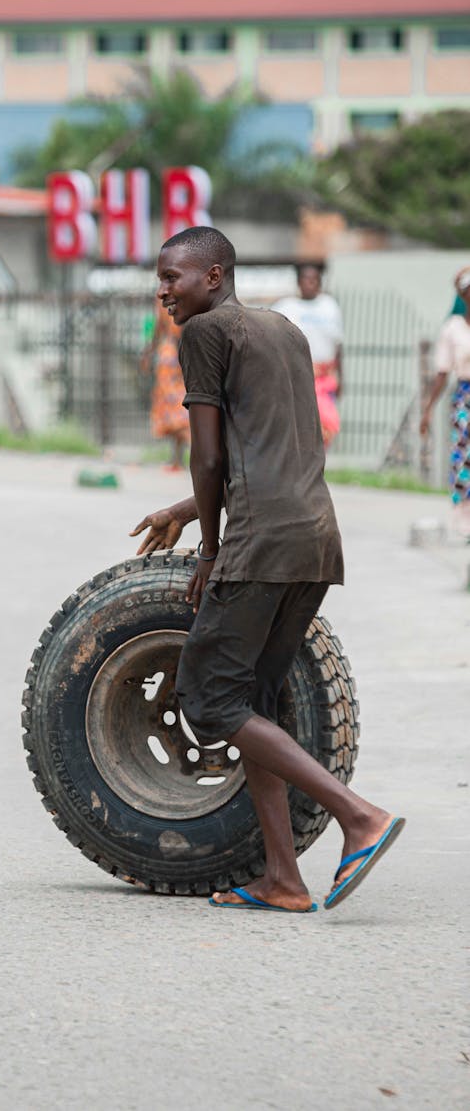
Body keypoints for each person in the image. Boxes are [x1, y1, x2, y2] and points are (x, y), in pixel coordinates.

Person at [130, 226, 404, 913]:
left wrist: (214, 547)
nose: (163, 290)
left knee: (209, 699)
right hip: (314, 537)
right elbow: (276, 450)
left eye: (175, 277)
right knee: (252, 706)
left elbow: (213, 458)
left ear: (214, 276)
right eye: (160, 278)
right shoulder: (282, 328)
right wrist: (186, 511)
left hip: (259, 543)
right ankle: (283, 878)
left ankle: (358, 817)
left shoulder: (203, 335)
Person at [420, 266, 470, 540]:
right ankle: (465, 523)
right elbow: (442, 372)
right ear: (464, 295)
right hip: (465, 399)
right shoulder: (453, 329)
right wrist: (428, 410)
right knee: (464, 460)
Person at [273, 264, 343, 449]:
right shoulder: (286, 307)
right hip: (296, 376)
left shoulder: (329, 306)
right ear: (298, 282)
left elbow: (338, 345)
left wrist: (342, 378)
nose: (310, 283)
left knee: (326, 423)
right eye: (306, 279)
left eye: (314, 280)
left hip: (324, 378)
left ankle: (316, 464)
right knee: (300, 422)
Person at [140, 301, 190, 471]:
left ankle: (180, 457)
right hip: (175, 356)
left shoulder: (167, 295)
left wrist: (149, 353)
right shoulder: (181, 292)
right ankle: (177, 458)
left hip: (172, 355)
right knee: (177, 409)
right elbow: (159, 328)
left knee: (178, 409)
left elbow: (159, 329)